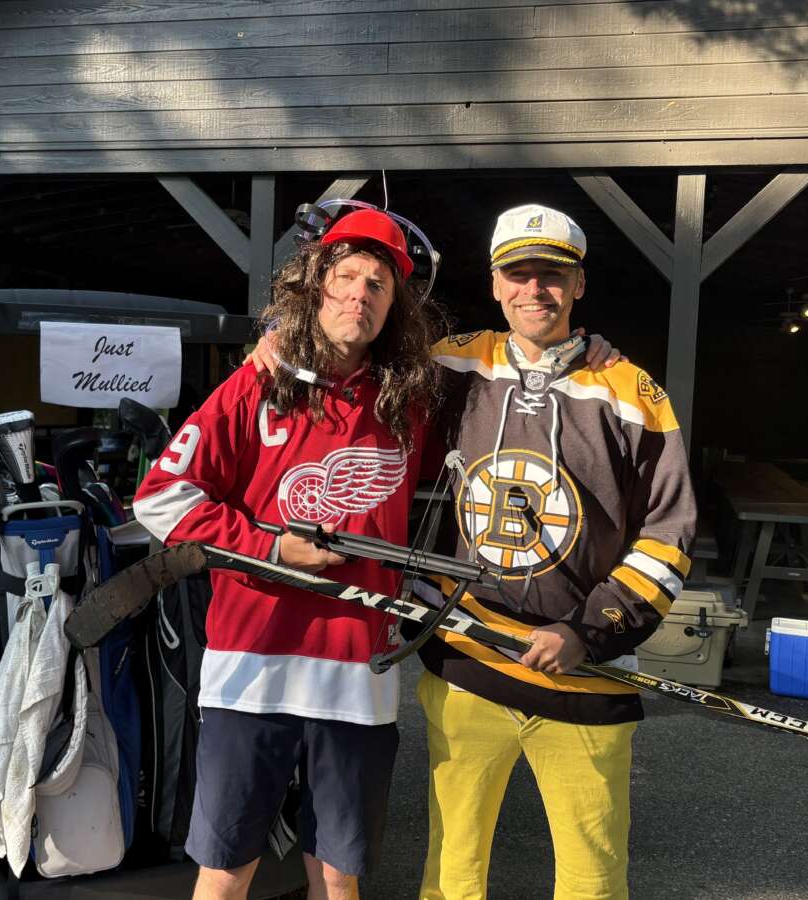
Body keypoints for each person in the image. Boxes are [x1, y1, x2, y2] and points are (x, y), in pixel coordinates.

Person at [132, 206, 440, 900]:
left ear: (395, 306)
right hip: (252, 666)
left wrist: (587, 345)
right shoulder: (258, 383)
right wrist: (271, 547)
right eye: (346, 276)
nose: (359, 294)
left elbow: (516, 357)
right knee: (225, 871)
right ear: (314, 285)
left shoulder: (412, 397)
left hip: (358, 672)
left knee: (338, 876)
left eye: (378, 285)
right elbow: (160, 499)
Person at [414, 204, 697, 900]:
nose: (534, 289)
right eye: (518, 273)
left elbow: (668, 534)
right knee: (452, 873)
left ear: (579, 284)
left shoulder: (632, 392)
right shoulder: (448, 363)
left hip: (587, 675)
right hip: (469, 661)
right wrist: (274, 342)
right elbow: (347, 356)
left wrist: (588, 631)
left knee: (592, 880)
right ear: (494, 282)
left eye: (553, 274)